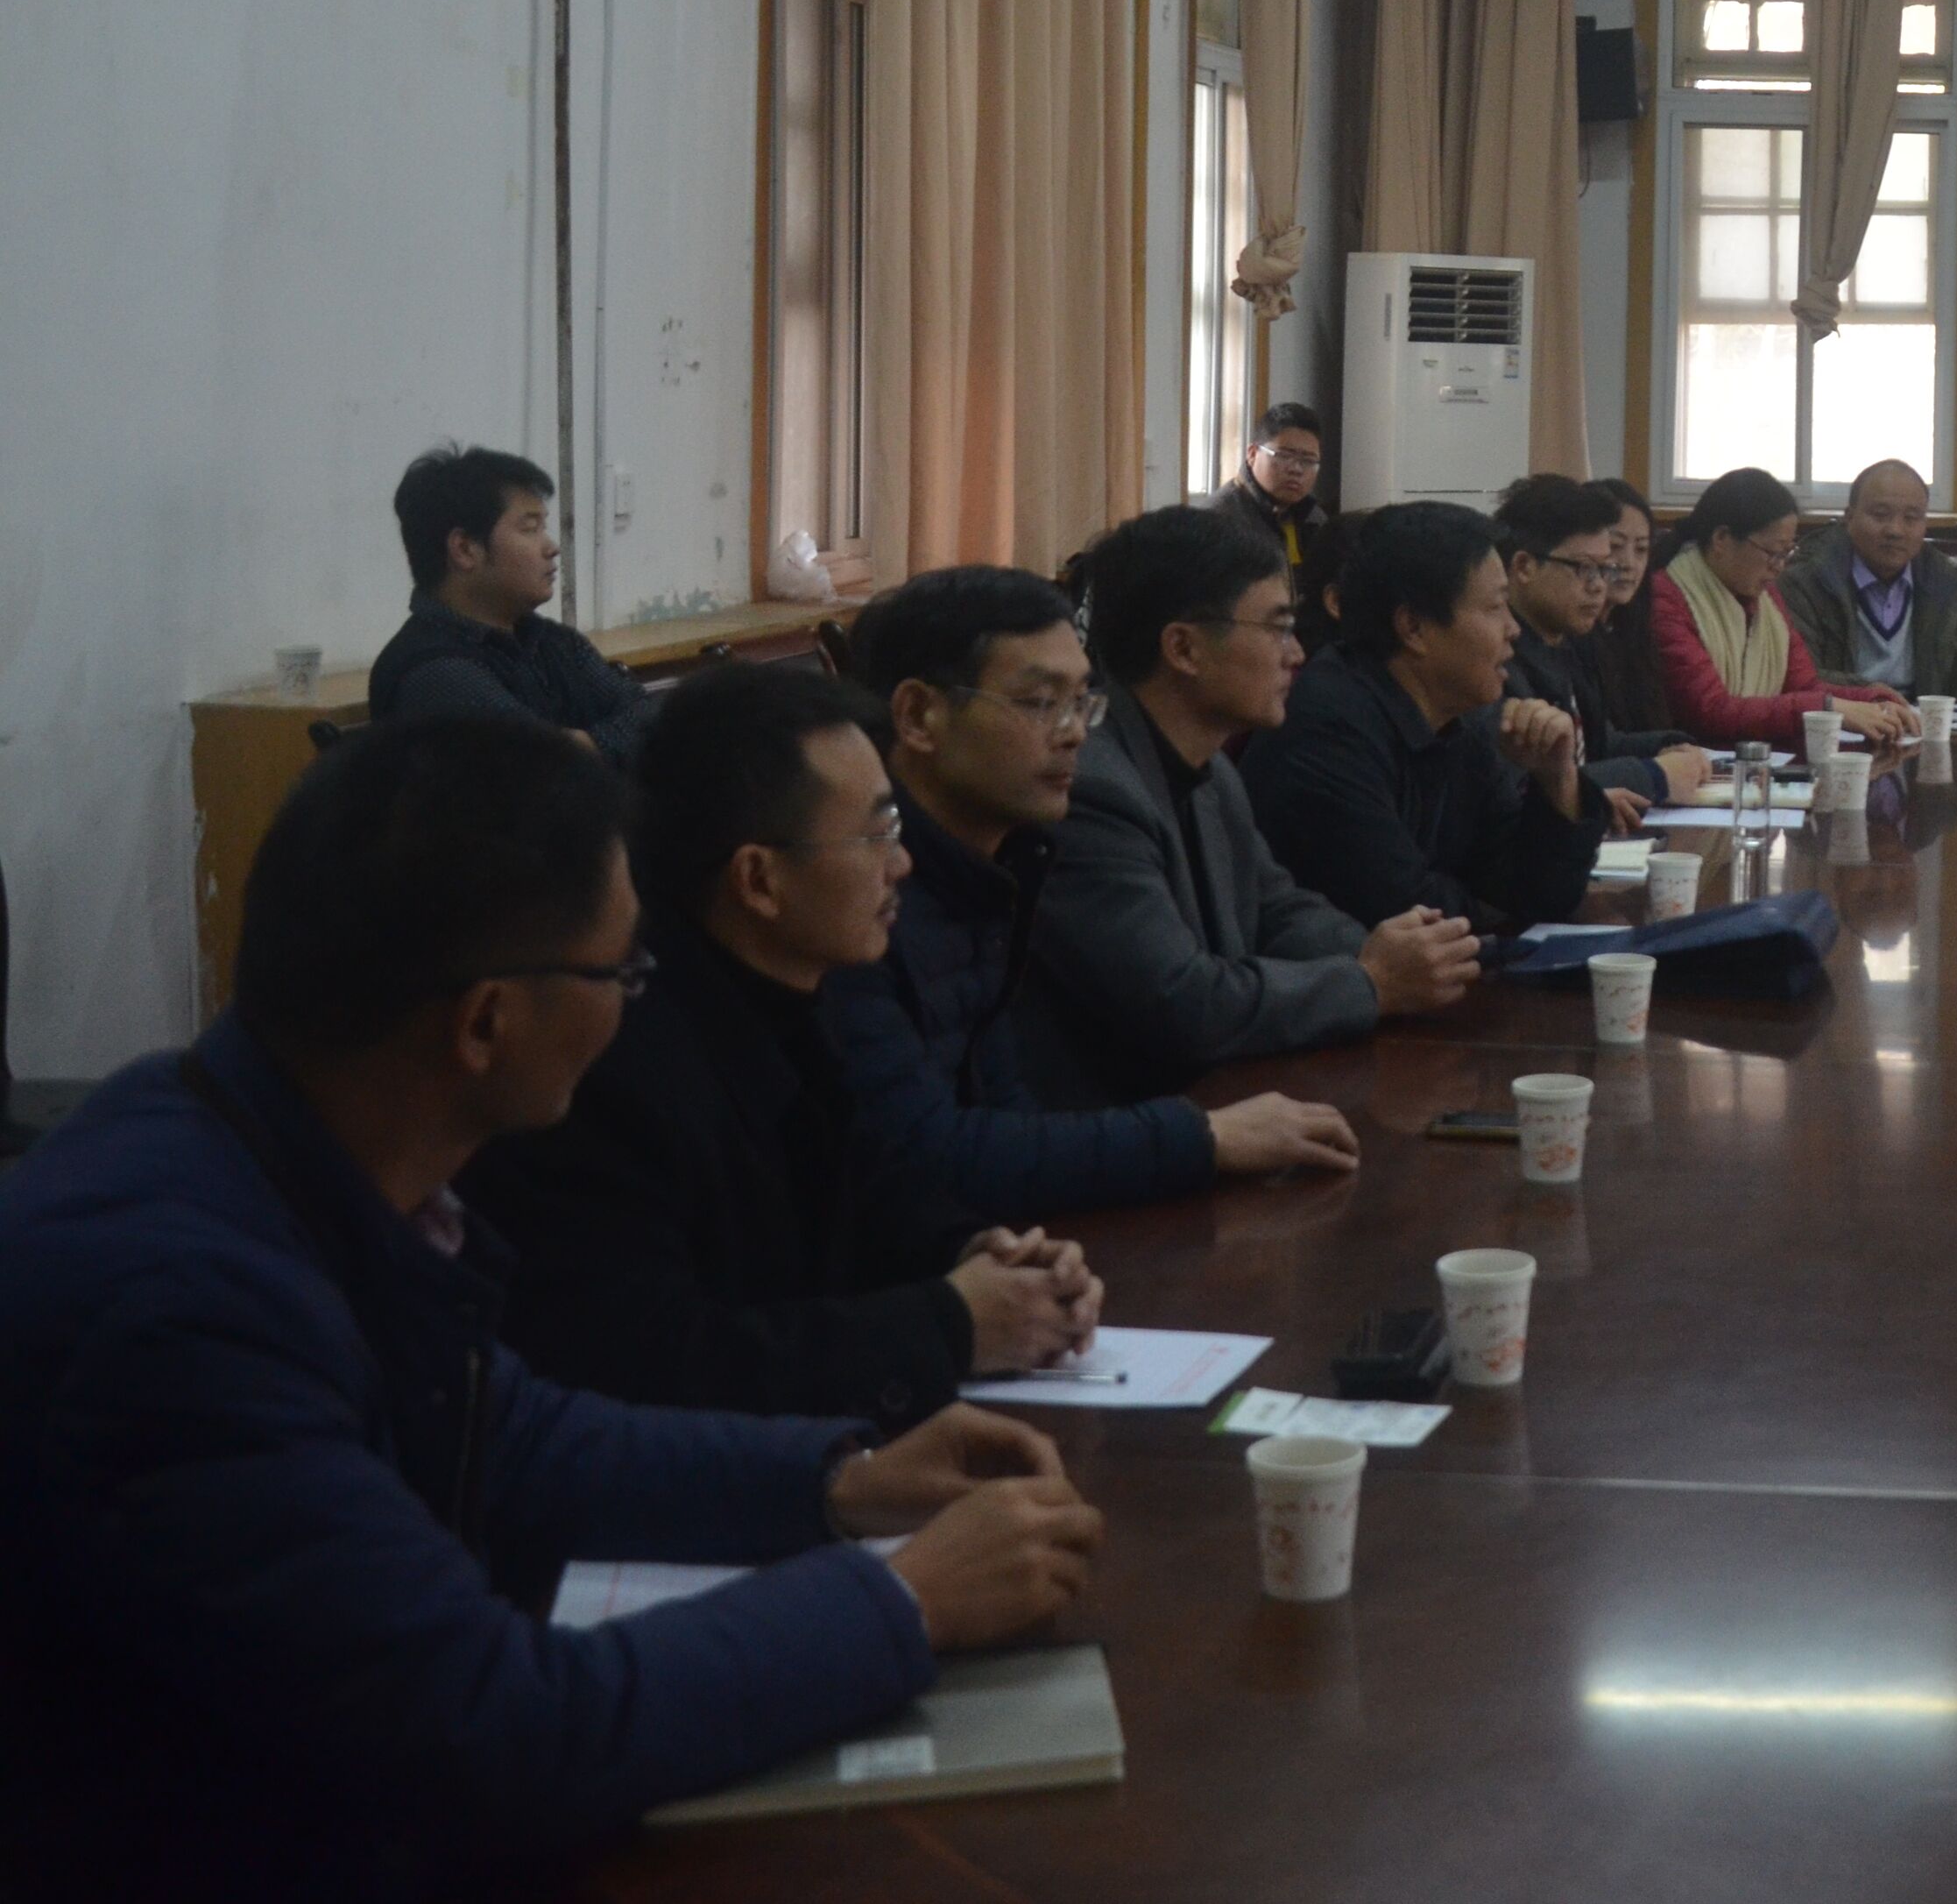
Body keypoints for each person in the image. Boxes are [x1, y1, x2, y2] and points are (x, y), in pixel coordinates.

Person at [0, 718, 1101, 1899]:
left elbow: (512, 1431)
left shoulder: (266, 1130)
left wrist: (840, 1483)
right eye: (623, 974)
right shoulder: (177, 1313)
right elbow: (491, 1732)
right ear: (485, 1023)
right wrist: (902, 1599)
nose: (638, 1006)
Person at [462, 665, 1099, 1427]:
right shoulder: (613, 1052)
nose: (902, 864)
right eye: (877, 834)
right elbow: (655, 1361)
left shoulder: (785, 987)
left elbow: (866, 1187)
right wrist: (951, 1324)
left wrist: (978, 1254)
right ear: (759, 880)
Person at [825, 567, 1360, 1214]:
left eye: (1083, 701)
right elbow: (919, 1156)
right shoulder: (851, 895)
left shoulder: (996, 864)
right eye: (1039, 702)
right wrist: (1201, 1136)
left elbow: (1003, 1108)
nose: (1076, 731)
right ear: (918, 715)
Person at [1029, 506, 1483, 1103]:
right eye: (1277, 629)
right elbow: (1182, 1002)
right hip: (1128, 1123)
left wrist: (1392, 955)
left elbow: (1276, 909)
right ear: (1184, 648)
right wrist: (1369, 982)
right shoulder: (1093, 790)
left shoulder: (1212, 767)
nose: (1297, 654)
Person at [1241, 502, 1607, 933]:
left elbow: (1538, 893)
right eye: (1495, 608)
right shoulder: (1327, 731)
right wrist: (1496, 910)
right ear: (1413, 628)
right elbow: (1407, 909)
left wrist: (1557, 780)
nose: (1513, 629)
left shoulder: (1460, 718)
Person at [365, 442, 653, 762]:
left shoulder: (554, 643)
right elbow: (544, 763)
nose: (552, 547)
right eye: (529, 529)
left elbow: (651, 719)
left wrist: (590, 746)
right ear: (465, 549)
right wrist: (598, 746)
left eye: (543, 528)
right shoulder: (435, 674)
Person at [1493, 473, 1713, 821]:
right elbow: (1520, 791)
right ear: (1524, 567)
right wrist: (1655, 777)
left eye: (1604, 569)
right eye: (1584, 569)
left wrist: (1671, 745)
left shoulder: (1571, 642)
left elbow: (1599, 744)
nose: (1598, 586)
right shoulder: (1496, 660)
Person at [1650, 466, 1917, 749]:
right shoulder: (1666, 598)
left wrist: (1872, 699)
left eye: (1786, 553)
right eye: (1772, 553)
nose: (1779, 567)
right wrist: (1828, 707)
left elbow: (1803, 686)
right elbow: (1712, 711)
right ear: (1722, 539)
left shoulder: (1766, 599)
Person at [1775, 457, 1957, 707]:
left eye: (1911, 518)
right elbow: (1798, 676)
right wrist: (1870, 693)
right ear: (1849, 518)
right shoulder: (1808, 580)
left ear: (1925, 524)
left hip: (1922, 724)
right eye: (1880, 515)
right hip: (1844, 718)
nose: (1895, 530)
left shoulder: (1946, 581)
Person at [1579, 477, 1686, 744]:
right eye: (1615, 547)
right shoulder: (1572, 638)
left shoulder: (1633, 630)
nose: (1629, 563)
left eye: (1641, 549)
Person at [1217, 400, 1335, 596]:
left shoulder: (1313, 517)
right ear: (1252, 454)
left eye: (1308, 461)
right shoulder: (1220, 519)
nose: (1296, 469)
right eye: (1284, 456)